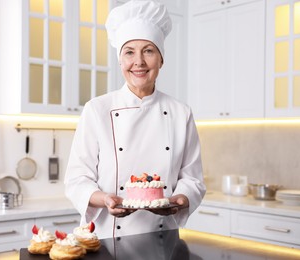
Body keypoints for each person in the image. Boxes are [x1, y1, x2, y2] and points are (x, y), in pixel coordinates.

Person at [64, 0, 206, 239]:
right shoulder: (97, 110)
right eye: (129, 52)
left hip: (163, 237)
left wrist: (180, 200)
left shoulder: (181, 113)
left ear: (161, 60)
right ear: (120, 60)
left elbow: (192, 178)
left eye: (148, 51)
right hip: (107, 237)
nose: (138, 62)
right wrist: (105, 199)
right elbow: (77, 180)